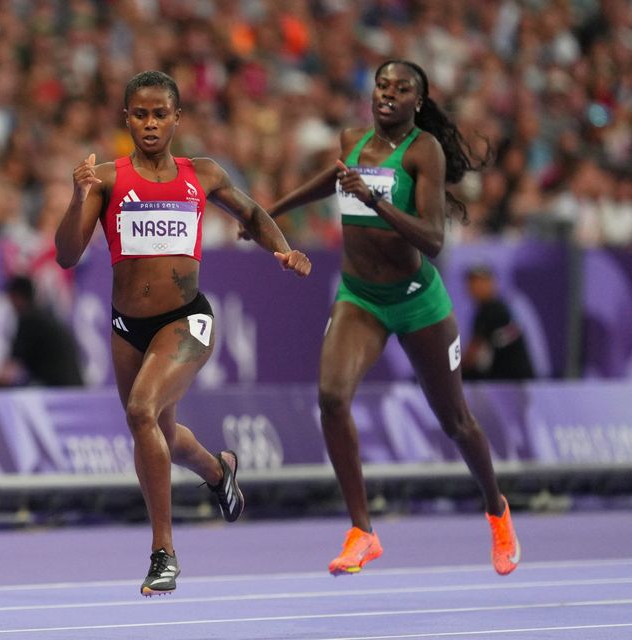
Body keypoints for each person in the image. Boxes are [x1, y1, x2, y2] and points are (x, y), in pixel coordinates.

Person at [54, 70, 311, 596]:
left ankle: (163, 552)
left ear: (177, 118)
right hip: (128, 328)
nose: (150, 123)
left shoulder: (204, 174)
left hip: (188, 320)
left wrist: (281, 250)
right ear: (127, 118)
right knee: (161, 436)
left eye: (159, 114)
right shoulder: (103, 179)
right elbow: (65, 255)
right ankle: (219, 472)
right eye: (140, 114)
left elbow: (252, 212)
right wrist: (78, 196)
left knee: (141, 412)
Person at [264, 60, 520, 576]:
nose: (388, 94)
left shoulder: (423, 151)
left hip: (417, 299)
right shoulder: (352, 138)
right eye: (382, 85)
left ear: (418, 103)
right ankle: (362, 531)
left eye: (402, 89)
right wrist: (270, 213)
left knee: (456, 421)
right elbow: (330, 180)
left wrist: (374, 199)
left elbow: (432, 238)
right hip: (360, 297)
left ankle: (497, 509)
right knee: (332, 398)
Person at [0, 275, 84, 388]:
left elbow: (8, 372)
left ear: (18, 297)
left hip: (58, 389)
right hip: (74, 386)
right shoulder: (43, 317)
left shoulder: (29, 320)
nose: (10, 303)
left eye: (11, 297)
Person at [462, 264, 535, 381]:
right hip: (507, 380)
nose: (477, 286)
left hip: (512, 382)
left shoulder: (494, 310)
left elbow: (473, 354)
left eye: (482, 281)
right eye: (473, 281)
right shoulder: (488, 310)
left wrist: (451, 372)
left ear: (492, 283)